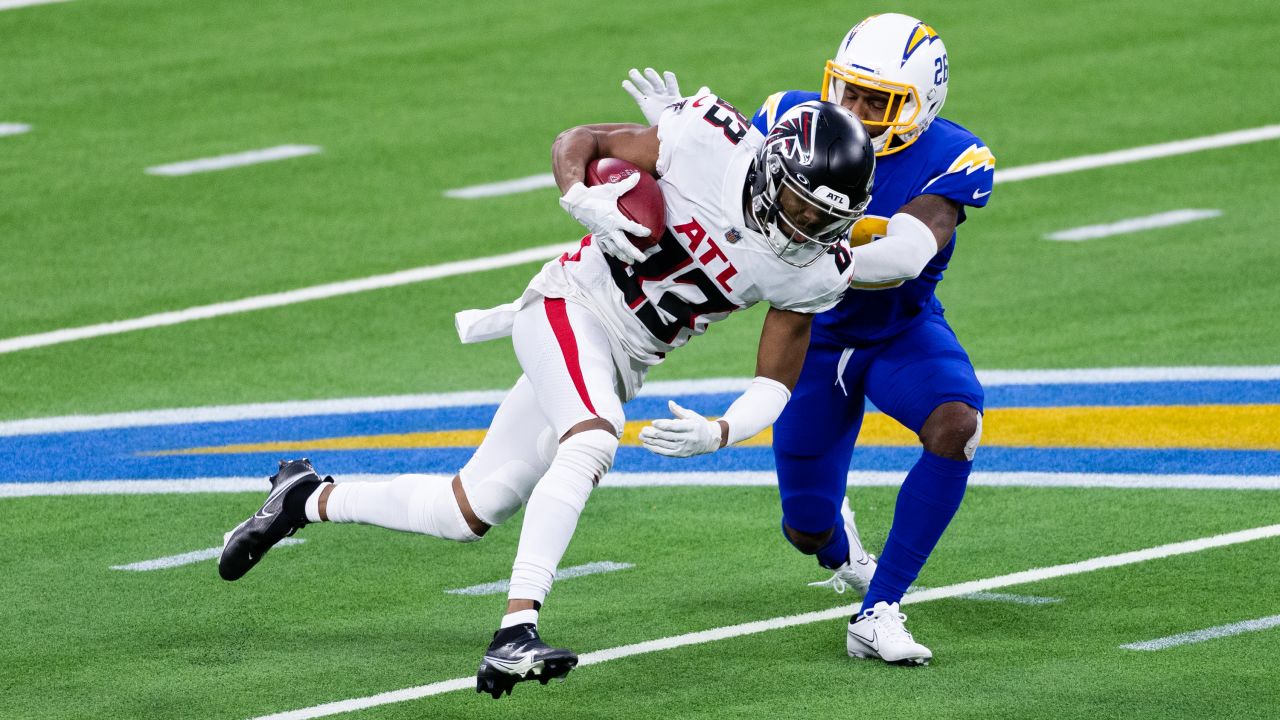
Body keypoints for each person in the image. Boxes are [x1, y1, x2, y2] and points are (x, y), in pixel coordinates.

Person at [218, 93, 876, 696]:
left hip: (622, 359)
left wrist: (722, 431)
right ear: (770, 170)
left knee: (467, 509)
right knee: (593, 438)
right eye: (802, 204)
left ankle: (303, 497)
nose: (807, 226)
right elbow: (581, 139)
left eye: (827, 217)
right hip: (569, 304)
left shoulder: (815, 267)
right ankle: (514, 632)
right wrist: (579, 196)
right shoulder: (707, 146)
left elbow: (775, 379)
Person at [622, 12, 994, 666]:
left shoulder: (952, 157)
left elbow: (906, 254)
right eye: (846, 90)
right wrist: (677, 136)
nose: (851, 108)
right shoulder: (795, 118)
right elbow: (728, 178)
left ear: (920, 105)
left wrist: (811, 256)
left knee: (956, 425)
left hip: (899, 334)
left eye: (874, 100)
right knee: (806, 527)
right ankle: (839, 543)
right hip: (811, 342)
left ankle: (879, 611)